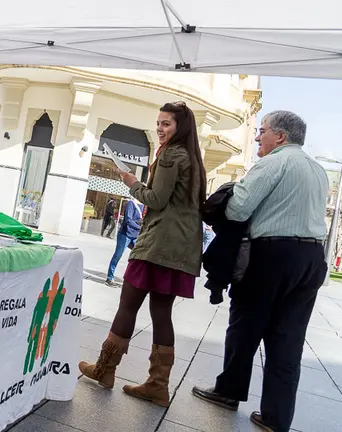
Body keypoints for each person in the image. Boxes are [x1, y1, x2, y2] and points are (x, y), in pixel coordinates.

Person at [192, 111, 328, 432]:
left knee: (245, 325)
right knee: (288, 339)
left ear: (279, 137)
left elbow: (239, 208)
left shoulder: (272, 163)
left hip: (271, 254)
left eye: (262, 131)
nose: (256, 137)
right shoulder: (318, 170)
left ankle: (229, 391)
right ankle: (275, 418)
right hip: (311, 258)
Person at [79, 101, 206, 408]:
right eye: (159, 123)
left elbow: (156, 198)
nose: (160, 129)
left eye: (167, 124)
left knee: (128, 305)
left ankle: (105, 370)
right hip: (181, 248)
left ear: (180, 128)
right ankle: (157, 386)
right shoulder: (192, 158)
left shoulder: (171, 156)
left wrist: (132, 182)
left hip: (157, 246)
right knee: (162, 313)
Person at [105, 198, 143, 286]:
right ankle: (109, 278)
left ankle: (132, 278)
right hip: (125, 234)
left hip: (135, 235)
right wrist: (140, 228)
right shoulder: (131, 203)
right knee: (117, 255)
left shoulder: (143, 204)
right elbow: (128, 220)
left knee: (139, 256)